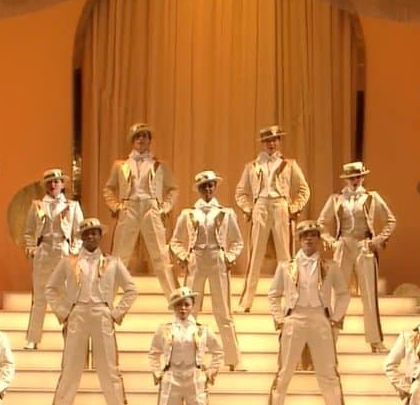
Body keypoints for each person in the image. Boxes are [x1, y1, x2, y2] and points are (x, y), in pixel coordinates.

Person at [45, 218, 138, 405]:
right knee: (70, 368)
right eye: (86, 234)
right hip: (77, 313)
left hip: (102, 313)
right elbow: (50, 288)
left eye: (94, 233)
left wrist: (115, 313)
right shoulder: (68, 262)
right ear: (81, 237)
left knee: (109, 370)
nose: (90, 237)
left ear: (100, 236)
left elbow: (131, 289)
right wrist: (64, 312)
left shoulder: (112, 262)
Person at [260, 220, 351, 405]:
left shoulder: (330, 266)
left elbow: (343, 293)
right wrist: (280, 319)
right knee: (284, 373)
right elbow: (273, 294)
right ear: (299, 239)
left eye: (313, 235)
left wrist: (335, 319)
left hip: (320, 318)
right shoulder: (286, 266)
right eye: (304, 235)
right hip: (295, 318)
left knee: (328, 374)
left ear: (319, 239)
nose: (309, 239)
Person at [139, 286, 224, 405]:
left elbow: (218, 351)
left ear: (192, 305)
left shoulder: (202, 330)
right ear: (173, 307)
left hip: (195, 378)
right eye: (179, 305)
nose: (183, 309)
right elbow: (154, 353)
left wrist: (210, 372)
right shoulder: (165, 330)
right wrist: (159, 373)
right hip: (172, 378)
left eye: (186, 304)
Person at [318, 160, 397, 353]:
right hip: (344, 246)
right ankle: (331, 339)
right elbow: (321, 223)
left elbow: (390, 220)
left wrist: (377, 240)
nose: (355, 181)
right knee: (339, 293)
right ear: (346, 179)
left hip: (364, 246)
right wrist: (331, 241)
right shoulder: (337, 199)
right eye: (352, 178)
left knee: (369, 295)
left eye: (359, 177)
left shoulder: (371, 197)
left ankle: (375, 341)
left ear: (363, 178)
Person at [169, 170, 245, 370]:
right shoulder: (188, 214)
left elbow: (237, 241)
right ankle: (188, 356)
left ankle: (233, 359)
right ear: (199, 189)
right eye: (204, 186)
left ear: (215, 187)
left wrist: (228, 257)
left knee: (223, 311)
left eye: (211, 185)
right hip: (197, 260)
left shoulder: (226, 213)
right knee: (191, 309)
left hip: (217, 259)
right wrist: (185, 256)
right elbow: (175, 241)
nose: (208, 189)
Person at [234, 125, 310, 312]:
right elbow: (240, 192)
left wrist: (293, 208)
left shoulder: (289, 164)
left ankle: (292, 300)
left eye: (274, 140)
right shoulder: (252, 166)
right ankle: (246, 302)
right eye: (268, 140)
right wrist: (249, 209)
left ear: (279, 141)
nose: (271, 144)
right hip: (260, 205)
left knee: (286, 256)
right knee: (255, 256)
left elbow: (304, 189)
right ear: (262, 143)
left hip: (280, 205)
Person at [103, 122, 177, 296]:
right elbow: (109, 188)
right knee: (120, 255)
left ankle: (174, 299)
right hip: (129, 207)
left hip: (151, 207)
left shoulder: (159, 165)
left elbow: (173, 188)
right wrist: (117, 206)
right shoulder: (121, 165)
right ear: (132, 140)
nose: (141, 139)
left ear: (150, 140)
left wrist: (164, 208)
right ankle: (107, 299)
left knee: (160, 255)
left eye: (144, 136)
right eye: (137, 136)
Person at [21, 168, 84, 349]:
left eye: (57, 181)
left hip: (63, 251)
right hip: (44, 251)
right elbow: (28, 231)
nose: (53, 184)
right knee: (39, 297)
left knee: (66, 295)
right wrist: (32, 248)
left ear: (62, 184)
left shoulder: (72, 206)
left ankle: (70, 335)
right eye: (50, 182)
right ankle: (33, 338)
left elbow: (79, 232)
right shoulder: (37, 205)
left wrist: (73, 250)